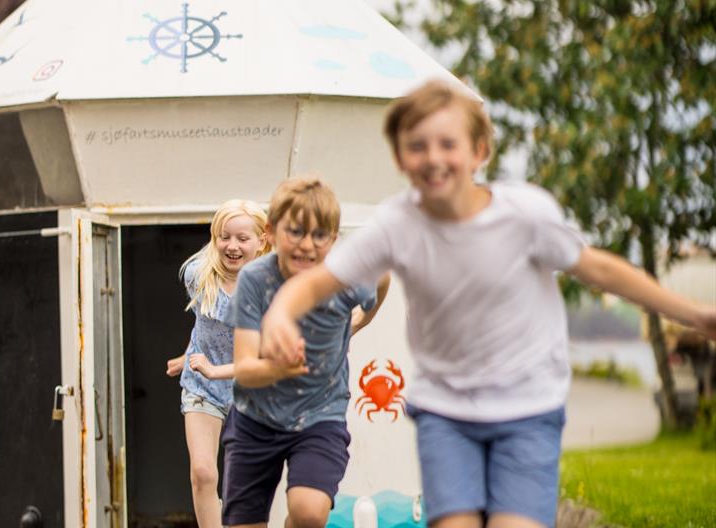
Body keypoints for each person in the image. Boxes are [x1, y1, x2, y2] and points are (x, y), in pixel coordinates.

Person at [258, 80, 716, 528]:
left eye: (447, 144)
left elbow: (600, 269)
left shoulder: (524, 216)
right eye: (417, 146)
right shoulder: (397, 224)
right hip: (446, 411)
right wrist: (280, 312)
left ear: (480, 152)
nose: (433, 157)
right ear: (399, 157)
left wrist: (692, 314)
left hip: (528, 407)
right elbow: (318, 282)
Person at [222, 178, 391, 528]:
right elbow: (244, 367)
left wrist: (361, 319)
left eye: (319, 236)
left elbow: (383, 276)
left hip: (320, 413)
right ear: (270, 232)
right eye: (295, 232)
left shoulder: (347, 278)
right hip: (255, 417)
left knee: (309, 512)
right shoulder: (255, 279)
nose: (306, 246)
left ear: (334, 239)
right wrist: (278, 368)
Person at [169, 199, 269, 528]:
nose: (232, 246)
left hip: (250, 389)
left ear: (262, 241)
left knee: (246, 484)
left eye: (243, 239)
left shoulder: (271, 286)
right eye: (224, 237)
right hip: (204, 387)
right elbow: (203, 323)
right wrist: (189, 355)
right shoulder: (198, 276)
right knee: (203, 472)